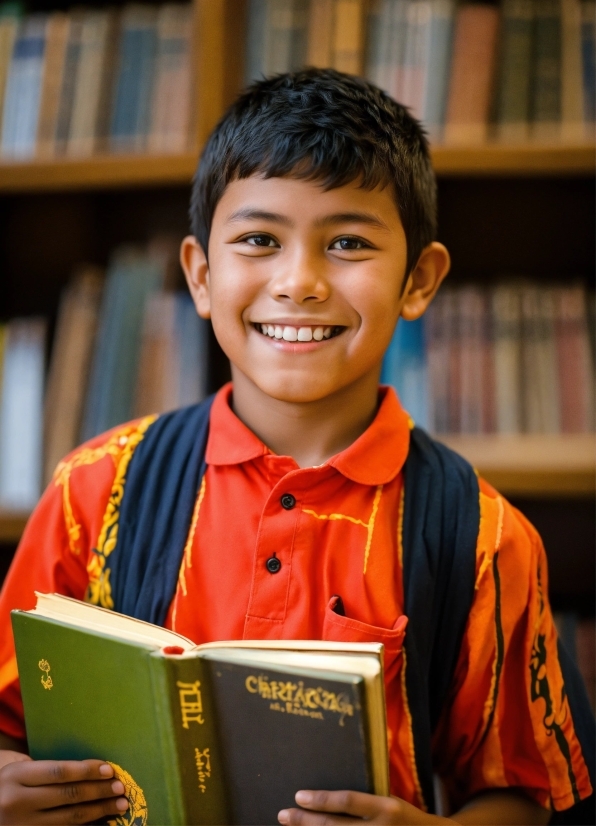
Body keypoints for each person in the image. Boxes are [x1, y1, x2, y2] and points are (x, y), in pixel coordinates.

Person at [0, 69, 592, 826]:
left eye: (348, 242)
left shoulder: (482, 539)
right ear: (202, 276)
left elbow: (520, 793)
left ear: (419, 280)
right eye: (259, 240)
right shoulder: (94, 489)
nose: (299, 282)